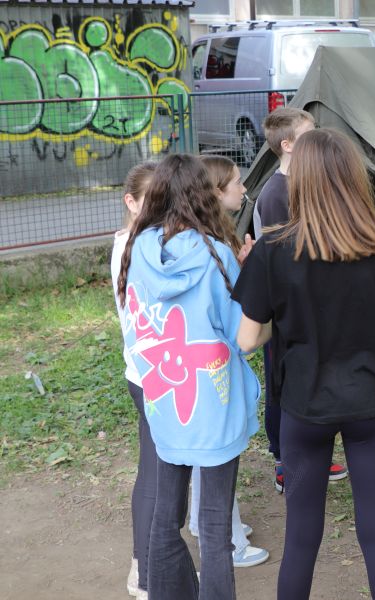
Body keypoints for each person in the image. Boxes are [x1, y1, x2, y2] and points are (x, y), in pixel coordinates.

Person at [233, 128, 375, 600]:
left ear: (301, 179)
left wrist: (282, 314)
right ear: (354, 177)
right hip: (370, 404)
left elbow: (247, 340)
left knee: (301, 539)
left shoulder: (273, 250)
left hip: (303, 407)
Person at [117, 153, 261, 600]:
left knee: (166, 517)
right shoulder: (217, 254)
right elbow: (244, 339)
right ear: (204, 196)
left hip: (163, 399)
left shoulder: (138, 249)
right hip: (214, 404)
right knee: (215, 527)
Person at [175, 154, 267, 569]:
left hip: (184, 368)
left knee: (202, 454)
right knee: (219, 457)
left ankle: (202, 522)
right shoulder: (214, 250)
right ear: (214, 192)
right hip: (215, 369)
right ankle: (230, 542)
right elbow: (240, 334)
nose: (244, 189)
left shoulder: (177, 242)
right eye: (237, 182)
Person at [252, 107, 348, 491]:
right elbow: (280, 258)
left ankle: (312, 452)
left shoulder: (307, 183)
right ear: (289, 145)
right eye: (310, 133)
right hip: (283, 311)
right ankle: (283, 459)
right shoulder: (276, 193)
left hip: (312, 305)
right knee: (282, 382)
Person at [112, 162, 156, 600]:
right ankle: (144, 570)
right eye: (154, 200)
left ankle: (152, 562)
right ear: (131, 201)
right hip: (151, 377)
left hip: (149, 374)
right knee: (156, 474)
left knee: (159, 471)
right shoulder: (137, 244)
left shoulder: (138, 240)